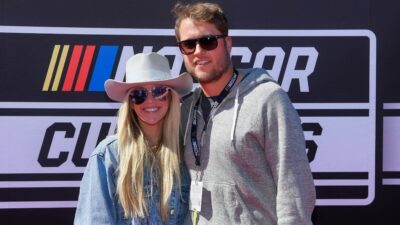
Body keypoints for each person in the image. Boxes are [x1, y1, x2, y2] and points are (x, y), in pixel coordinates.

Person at [172, 2, 316, 225]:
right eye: (189, 44)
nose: (198, 51)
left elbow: (295, 192)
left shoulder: (267, 99)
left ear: (227, 43)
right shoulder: (187, 109)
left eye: (208, 41)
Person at [74, 52, 193, 225]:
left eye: (159, 91)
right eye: (139, 94)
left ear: (170, 97)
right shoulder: (108, 154)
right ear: (130, 102)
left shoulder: (188, 152)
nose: (150, 101)